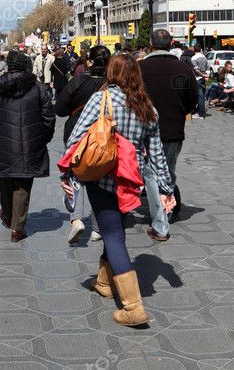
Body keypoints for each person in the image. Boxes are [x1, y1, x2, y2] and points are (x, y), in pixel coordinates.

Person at [61, 53, 176, 327]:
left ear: (111, 73)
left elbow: (77, 138)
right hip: (130, 178)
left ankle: (133, 307)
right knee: (114, 227)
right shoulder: (147, 106)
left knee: (113, 235)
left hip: (102, 175)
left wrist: (66, 172)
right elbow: (157, 151)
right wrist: (166, 187)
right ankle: (104, 282)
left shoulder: (102, 99)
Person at [0, 50, 55, 242]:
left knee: (5, 179)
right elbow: (49, 116)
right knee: (23, 184)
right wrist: (43, 137)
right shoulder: (37, 87)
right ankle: (18, 228)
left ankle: (7, 213)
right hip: (31, 143)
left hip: (4, 143)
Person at [139, 29, 197, 239]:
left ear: (150, 43)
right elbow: (193, 99)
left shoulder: (140, 68)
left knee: (150, 173)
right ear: (171, 43)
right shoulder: (183, 68)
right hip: (173, 129)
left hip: (142, 130)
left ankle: (161, 216)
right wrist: (180, 111)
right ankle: (166, 210)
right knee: (167, 171)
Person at [55, 44, 110, 244]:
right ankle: (97, 227)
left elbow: (60, 109)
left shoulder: (77, 81)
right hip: (103, 138)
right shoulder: (111, 83)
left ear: (89, 61)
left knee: (74, 176)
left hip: (76, 134)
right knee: (100, 179)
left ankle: (76, 219)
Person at [190, 50, 208, 119]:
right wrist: (207, 75)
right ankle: (200, 112)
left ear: (194, 50)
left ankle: (201, 114)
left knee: (200, 97)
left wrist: (203, 75)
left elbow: (196, 70)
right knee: (202, 96)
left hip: (197, 78)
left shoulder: (194, 58)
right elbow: (208, 67)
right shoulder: (204, 57)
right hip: (202, 79)